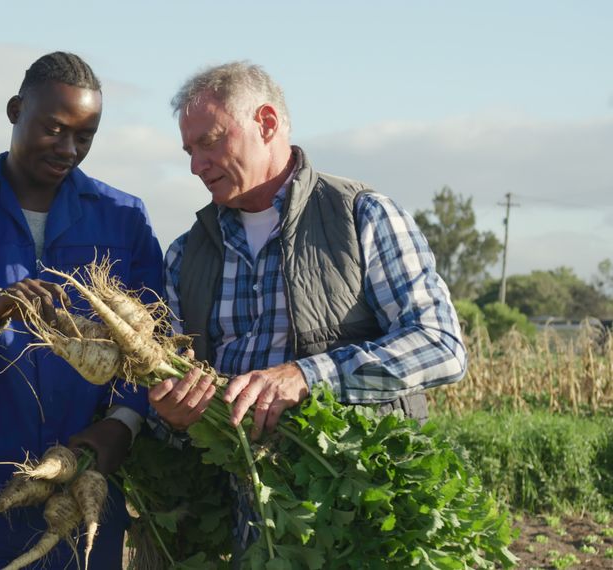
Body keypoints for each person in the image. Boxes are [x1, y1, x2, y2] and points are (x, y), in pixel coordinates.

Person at [148, 62, 467, 556]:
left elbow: (440, 345)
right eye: (189, 150)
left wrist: (307, 376)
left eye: (209, 141)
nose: (196, 164)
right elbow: (167, 394)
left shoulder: (362, 216)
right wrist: (170, 416)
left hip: (357, 518)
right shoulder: (185, 255)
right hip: (241, 527)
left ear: (267, 124)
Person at [0, 52, 164, 569]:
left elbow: (154, 341)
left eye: (84, 136)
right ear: (15, 109)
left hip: (83, 488)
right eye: (54, 128)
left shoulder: (124, 217)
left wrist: (124, 423)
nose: (68, 148)